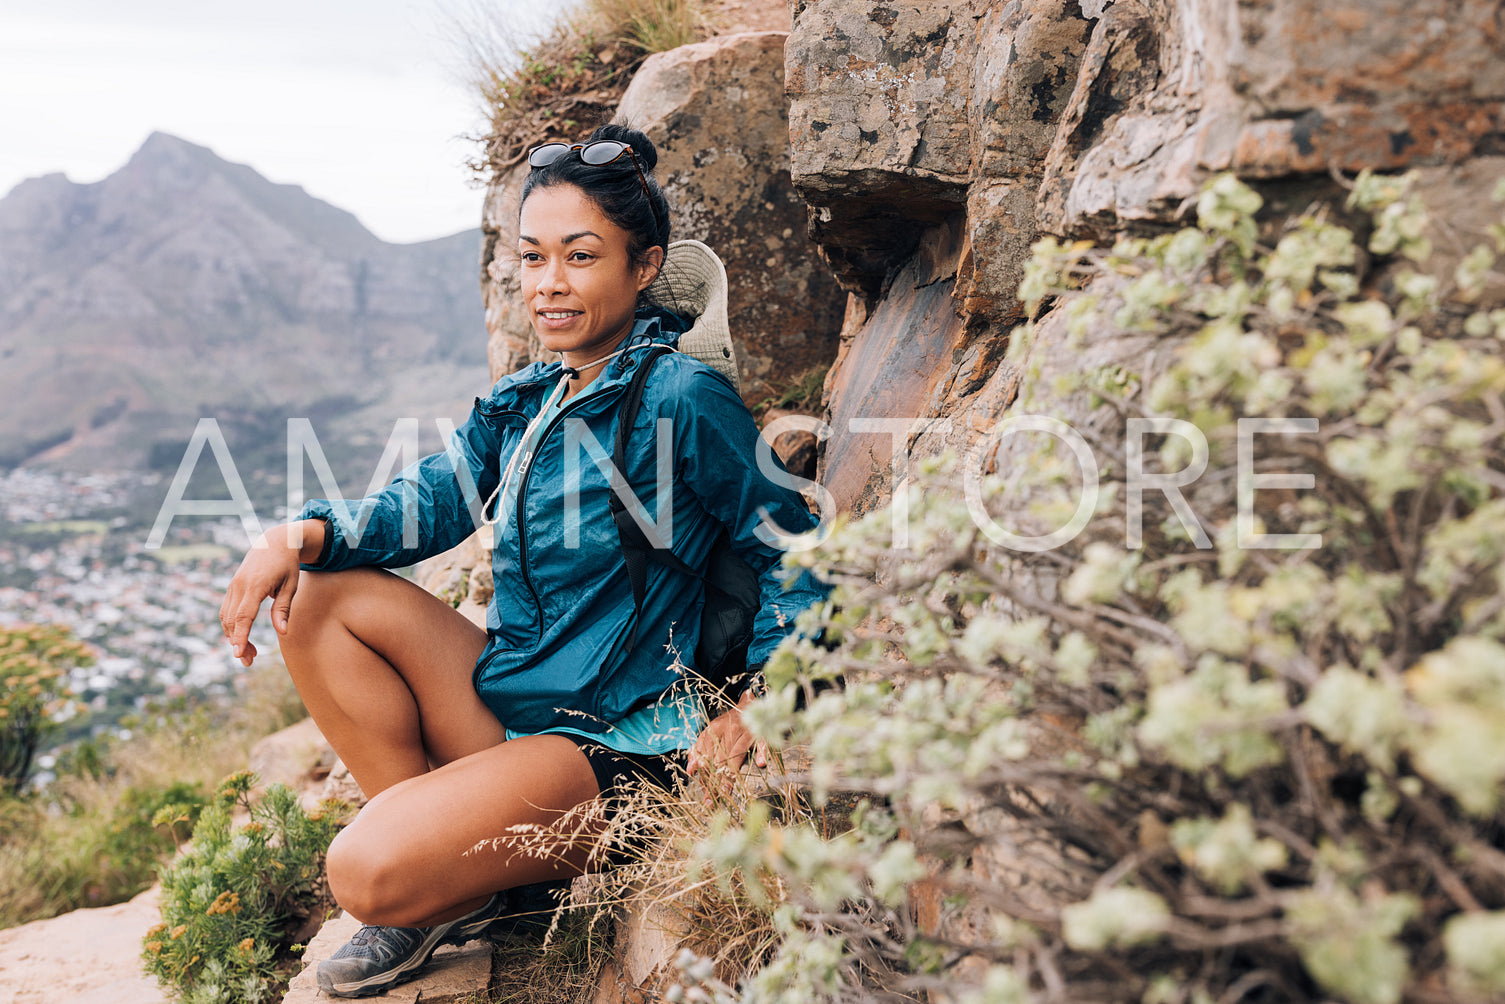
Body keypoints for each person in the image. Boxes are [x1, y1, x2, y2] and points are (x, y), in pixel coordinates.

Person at [217, 122, 827, 998]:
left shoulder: (681, 397)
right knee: (319, 597)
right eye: (532, 258)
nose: (550, 284)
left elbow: (786, 544)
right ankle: (461, 893)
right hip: (524, 699)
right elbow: (429, 504)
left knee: (359, 871)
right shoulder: (530, 396)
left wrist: (765, 700)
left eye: (580, 257)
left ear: (643, 267)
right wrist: (295, 535)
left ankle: (434, 878)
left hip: (620, 741)